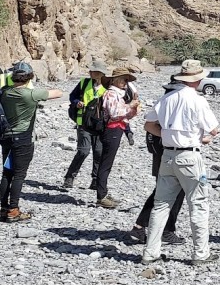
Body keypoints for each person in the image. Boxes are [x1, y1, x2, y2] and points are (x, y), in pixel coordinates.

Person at [141, 59, 220, 266]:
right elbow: (214, 129)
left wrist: (167, 135)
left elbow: (149, 125)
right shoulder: (197, 100)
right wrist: (200, 138)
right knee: (198, 204)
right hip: (189, 156)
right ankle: (200, 253)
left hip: (168, 155)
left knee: (161, 205)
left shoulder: (167, 98)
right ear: (197, 79)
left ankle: (150, 252)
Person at [0, 62, 63, 222]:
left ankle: (4, 208)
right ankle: (14, 210)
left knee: (7, 173)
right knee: (19, 174)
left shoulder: (5, 92)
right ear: (29, 77)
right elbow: (59, 93)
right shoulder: (31, 94)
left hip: (6, 138)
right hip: (23, 139)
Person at [128, 76, 186, 245]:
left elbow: (149, 124)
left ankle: (144, 227)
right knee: (172, 191)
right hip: (169, 151)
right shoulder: (175, 103)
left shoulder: (164, 101)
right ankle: (162, 229)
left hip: (161, 151)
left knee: (164, 190)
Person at [95, 67, 140, 208]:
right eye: (124, 79)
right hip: (111, 130)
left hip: (116, 129)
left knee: (107, 162)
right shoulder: (111, 94)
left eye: (127, 80)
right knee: (106, 163)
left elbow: (125, 115)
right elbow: (115, 113)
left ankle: (103, 193)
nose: (126, 83)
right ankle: (101, 196)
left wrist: (132, 109)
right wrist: (130, 106)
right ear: (115, 80)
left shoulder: (117, 95)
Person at [62, 60, 108, 190]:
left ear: (100, 73)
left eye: (93, 71)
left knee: (99, 152)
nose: (90, 73)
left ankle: (95, 180)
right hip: (83, 124)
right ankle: (69, 177)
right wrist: (77, 102)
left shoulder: (108, 87)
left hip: (100, 125)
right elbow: (72, 96)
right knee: (83, 151)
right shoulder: (84, 83)